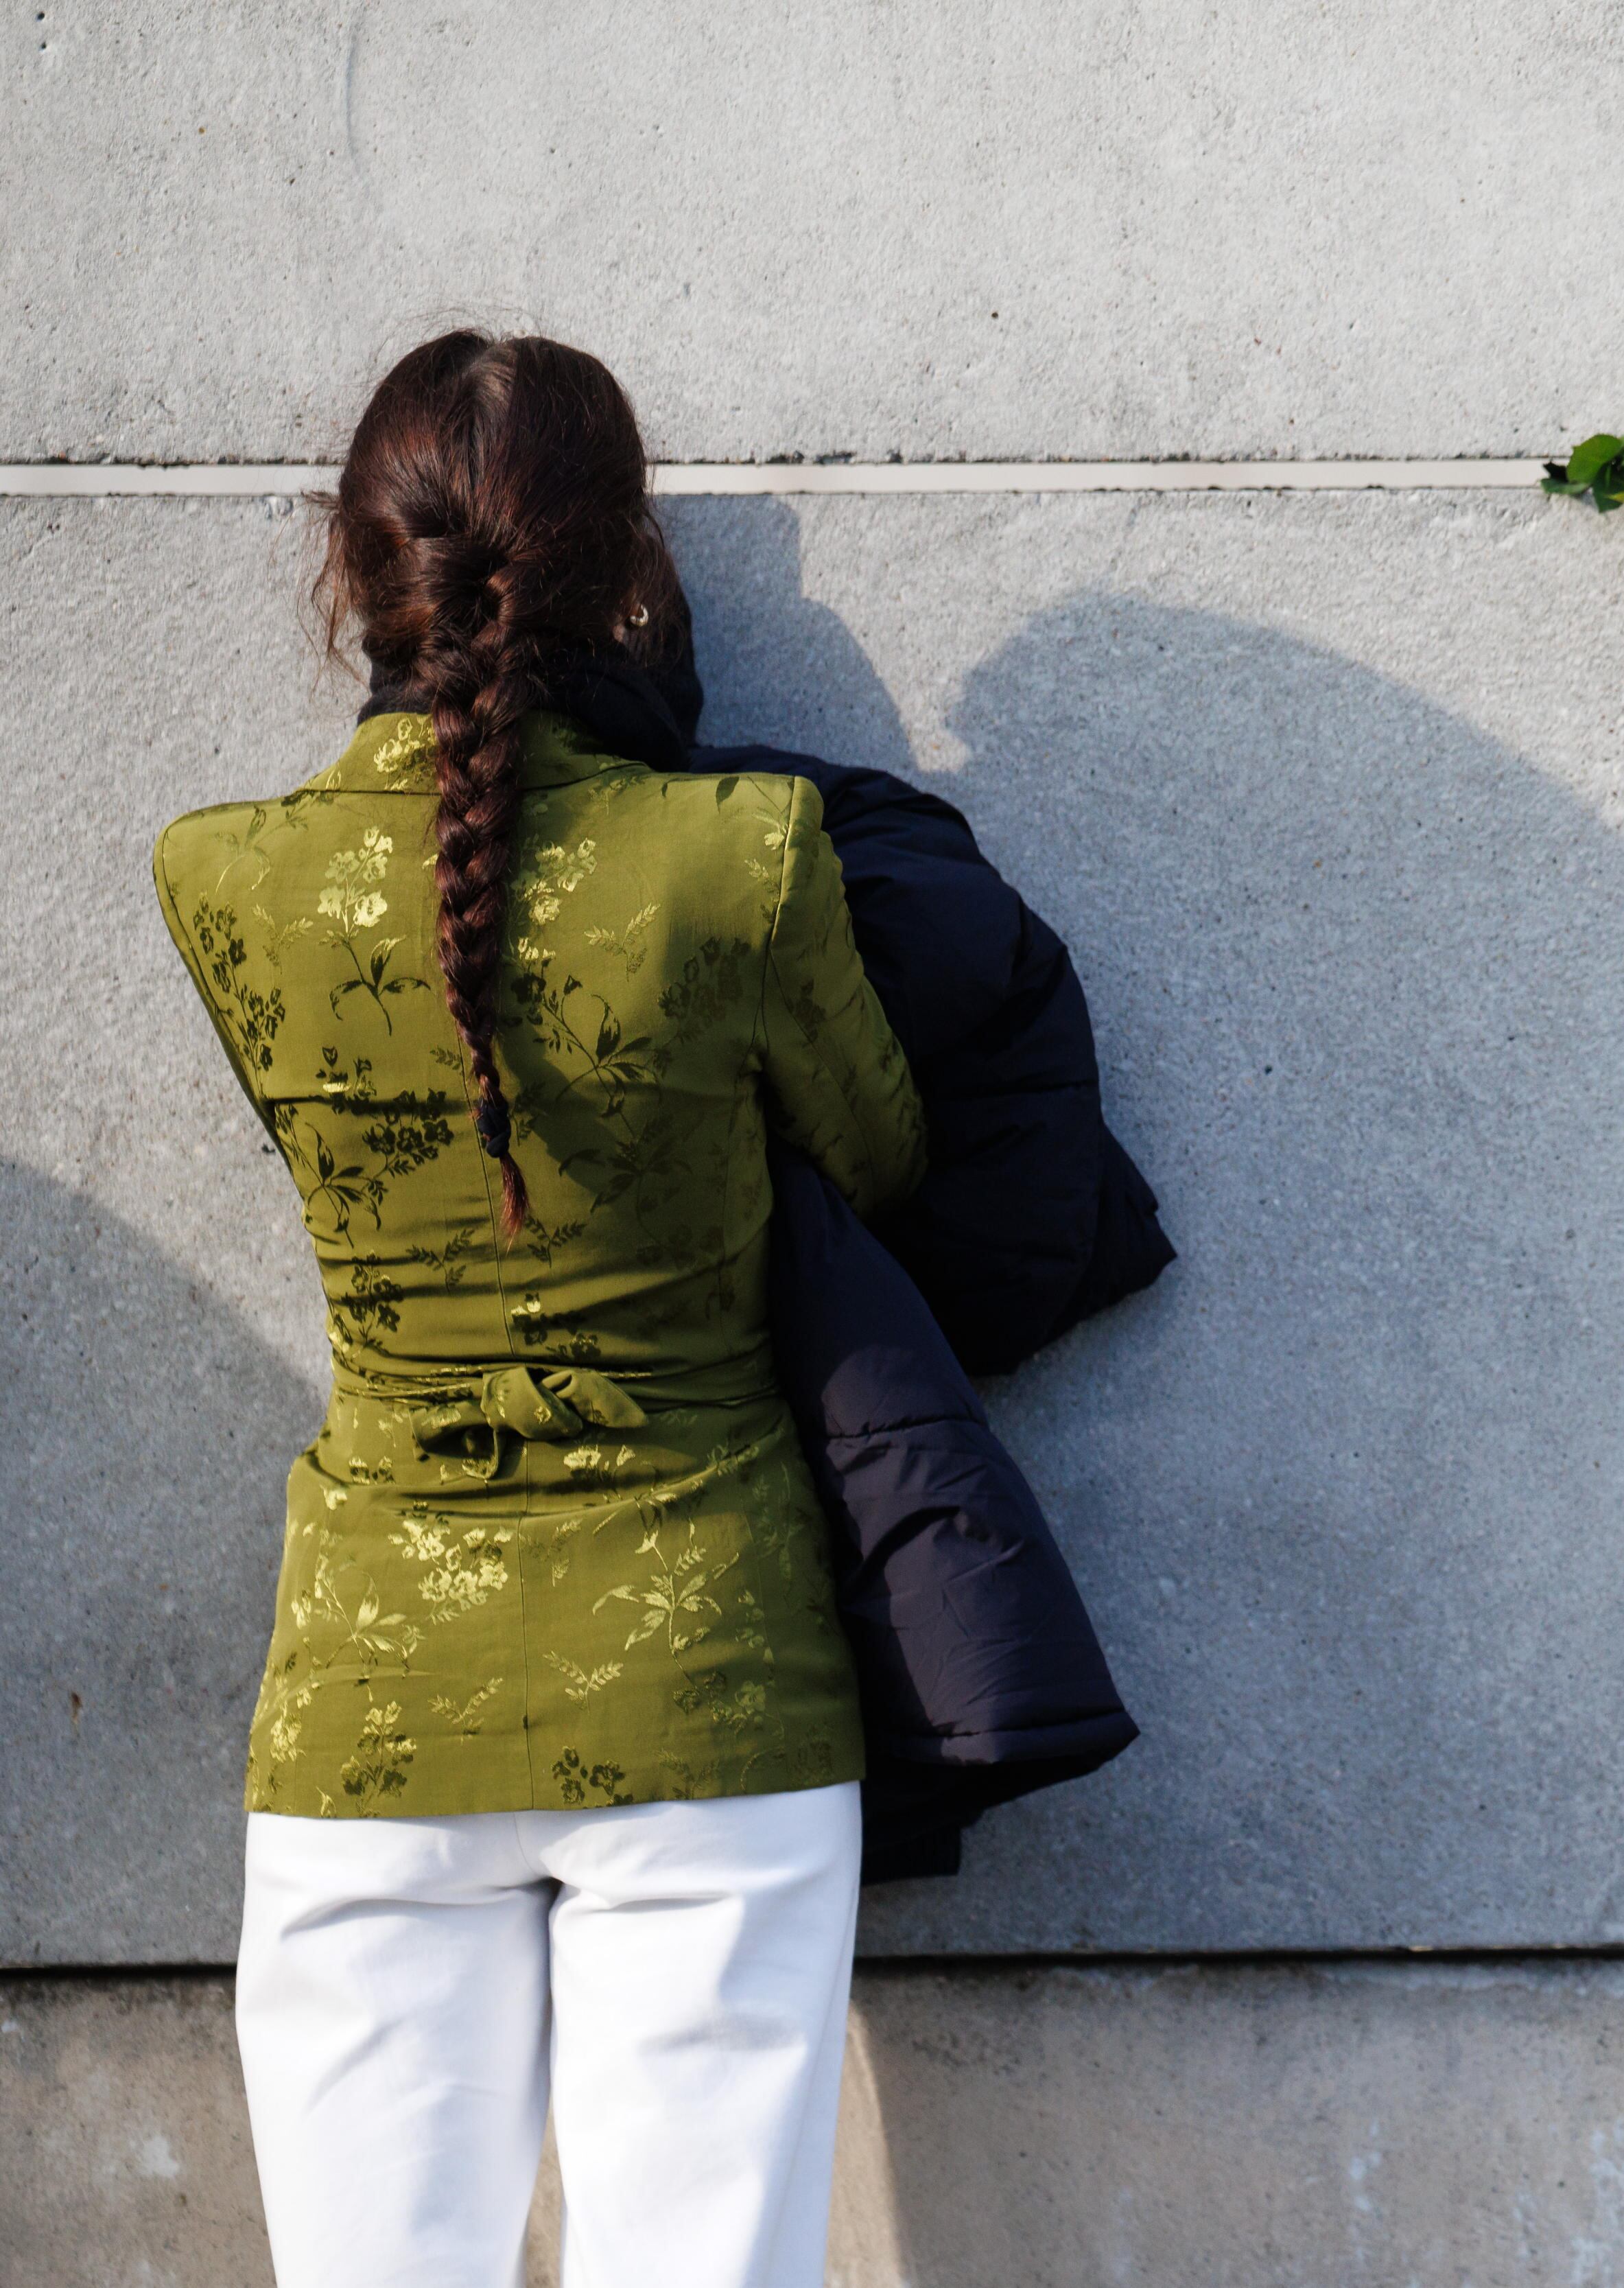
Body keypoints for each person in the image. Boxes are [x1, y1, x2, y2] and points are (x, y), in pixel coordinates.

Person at [152, 331, 919, 2288]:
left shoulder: (224, 880)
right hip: (709, 1691)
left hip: (374, 1706)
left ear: (352, 570)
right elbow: (881, 1153)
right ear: (626, 569)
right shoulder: (743, 857)